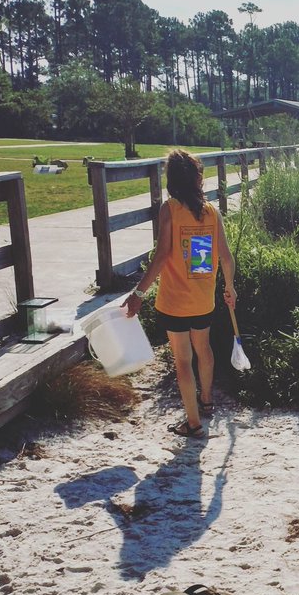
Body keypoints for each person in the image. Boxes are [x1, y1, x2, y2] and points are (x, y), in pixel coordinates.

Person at [124, 148, 236, 438]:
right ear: (197, 178)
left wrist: (139, 292)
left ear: (171, 178)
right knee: (204, 349)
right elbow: (226, 256)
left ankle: (193, 422)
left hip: (174, 301)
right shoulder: (211, 211)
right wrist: (230, 286)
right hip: (203, 299)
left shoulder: (170, 209)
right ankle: (207, 401)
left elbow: (161, 256)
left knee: (183, 360)